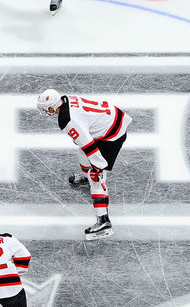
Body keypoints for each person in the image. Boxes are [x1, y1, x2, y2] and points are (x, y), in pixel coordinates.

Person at [37, 89, 132, 240]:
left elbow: (88, 145)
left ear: (53, 107)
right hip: (110, 118)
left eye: (46, 108)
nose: (45, 111)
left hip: (112, 133)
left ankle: (104, 221)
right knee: (83, 154)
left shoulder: (66, 120)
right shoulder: (65, 99)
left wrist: (97, 168)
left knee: (96, 177)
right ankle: (89, 177)